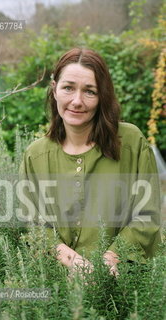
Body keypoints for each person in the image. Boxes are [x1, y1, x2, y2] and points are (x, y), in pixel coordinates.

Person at [19, 48, 161, 278]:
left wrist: (109, 259)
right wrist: (73, 262)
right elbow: (33, 225)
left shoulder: (131, 142)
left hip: (127, 287)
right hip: (60, 292)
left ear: (102, 96)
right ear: (54, 89)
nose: (77, 101)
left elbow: (148, 214)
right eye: (68, 88)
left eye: (89, 91)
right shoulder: (35, 156)